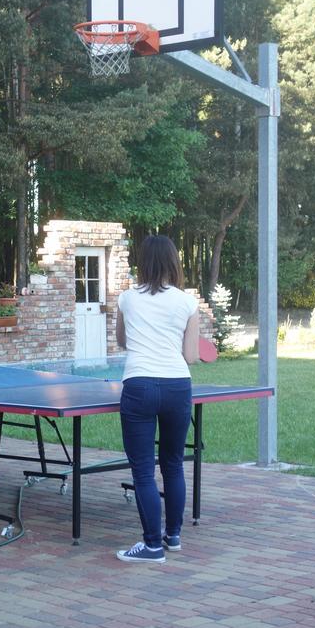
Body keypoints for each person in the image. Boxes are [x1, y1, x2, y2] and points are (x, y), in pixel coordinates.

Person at [114, 235, 200, 563]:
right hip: (178, 386)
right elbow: (191, 356)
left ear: (142, 262)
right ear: (174, 262)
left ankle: (152, 546)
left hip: (139, 385)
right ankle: (172, 536)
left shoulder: (127, 298)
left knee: (144, 471)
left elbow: (122, 341)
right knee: (173, 463)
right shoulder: (187, 302)